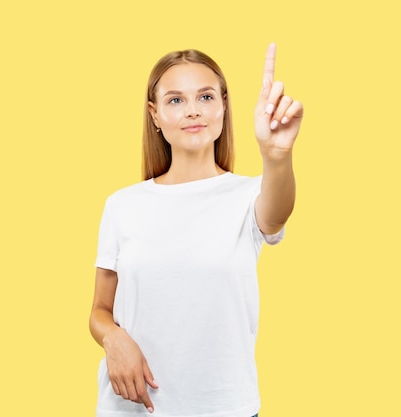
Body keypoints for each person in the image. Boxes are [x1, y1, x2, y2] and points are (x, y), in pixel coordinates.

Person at [89, 43, 303, 417]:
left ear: (223, 106)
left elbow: (276, 214)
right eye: (175, 100)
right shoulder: (122, 205)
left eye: (205, 96)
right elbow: (100, 311)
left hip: (225, 408)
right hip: (133, 409)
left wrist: (277, 156)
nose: (192, 110)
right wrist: (113, 338)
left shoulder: (249, 195)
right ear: (154, 115)